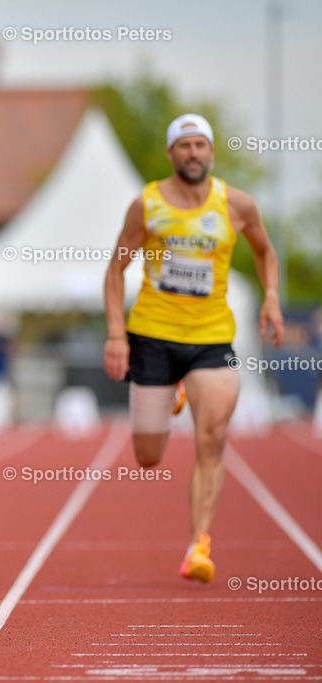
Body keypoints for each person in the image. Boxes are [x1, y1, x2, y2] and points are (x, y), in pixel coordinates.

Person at [104, 114, 284, 584]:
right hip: (153, 335)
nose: (192, 153)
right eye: (184, 146)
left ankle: (198, 544)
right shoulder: (146, 205)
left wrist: (271, 297)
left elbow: (265, 251)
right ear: (171, 154)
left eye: (200, 145)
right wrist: (116, 333)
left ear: (211, 152)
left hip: (211, 338)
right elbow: (114, 271)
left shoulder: (237, 205)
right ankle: (172, 394)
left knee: (215, 435)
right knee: (148, 456)